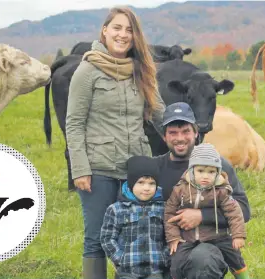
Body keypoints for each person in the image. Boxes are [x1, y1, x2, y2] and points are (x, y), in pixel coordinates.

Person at [65, 6, 165, 279]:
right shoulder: (88, 71)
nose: (123, 35)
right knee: (97, 238)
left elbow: (159, 113)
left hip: (137, 170)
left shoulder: (142, 70)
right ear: (105, 31)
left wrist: (185, 142)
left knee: (141, 234)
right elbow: (74, 123)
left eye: (129, 30)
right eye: (117, 28)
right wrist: (80, 168)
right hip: (99, 169)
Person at [154, 102, 252, 279]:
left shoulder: (217, 166)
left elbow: (243, 210)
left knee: (203, 259)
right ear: (164, 136)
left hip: (209, 243)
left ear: (196, 133)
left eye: (186, 131)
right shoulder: (155, 169)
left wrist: (201, 216)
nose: (180, 138)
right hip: (170, 245)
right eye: (173, 133)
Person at [164, 143, 250, 279]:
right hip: (188, 238)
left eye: (211, 172)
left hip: (217, 236)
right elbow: (169, 213)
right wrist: (173, 237)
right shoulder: (180, 189)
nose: (206, 176)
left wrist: (238, 235)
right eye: (200, 171)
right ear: (192, 170)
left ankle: (243, 275)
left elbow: (235, 212)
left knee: (234, 255)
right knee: (177, 260)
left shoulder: (221, 191)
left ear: (217, 172)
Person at [101, 156, 168, 279]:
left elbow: (170, 235)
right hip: (127, 270)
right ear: (131, 183)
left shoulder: (163, 208)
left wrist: (164, 257)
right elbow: (107, 238)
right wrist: (120, 258)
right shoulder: (116, 209)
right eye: (141, 182)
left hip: (155, 270)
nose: (146, 188)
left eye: (152, 183)